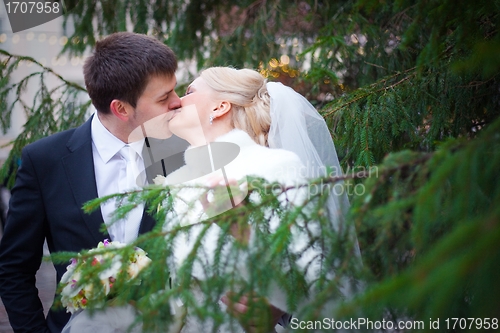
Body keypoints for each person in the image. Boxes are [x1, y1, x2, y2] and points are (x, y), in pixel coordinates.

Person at [0, 32, 186, 333]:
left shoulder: (186, 153)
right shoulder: (45, 160)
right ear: (121, 109)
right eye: (164, 98)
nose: (178, 103)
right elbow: (13, 269)